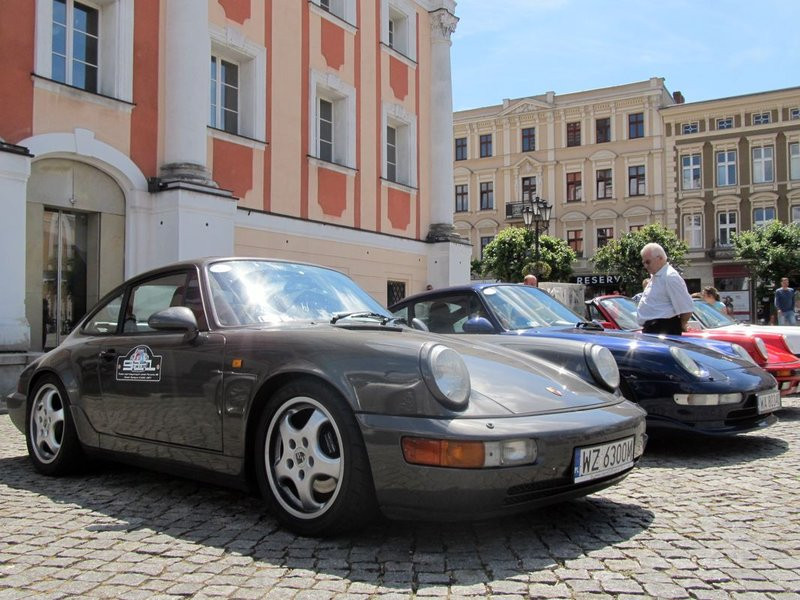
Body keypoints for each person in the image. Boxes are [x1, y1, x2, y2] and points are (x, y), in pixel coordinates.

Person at [636, 243, 694, 335]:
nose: (645, 266)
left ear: (660, 258)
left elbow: (686, 308)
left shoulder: (670, 277)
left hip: (663, 330)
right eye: (643, 263)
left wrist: (682, 325)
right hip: (654, 329)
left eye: (648, 262)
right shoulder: (658, 276)